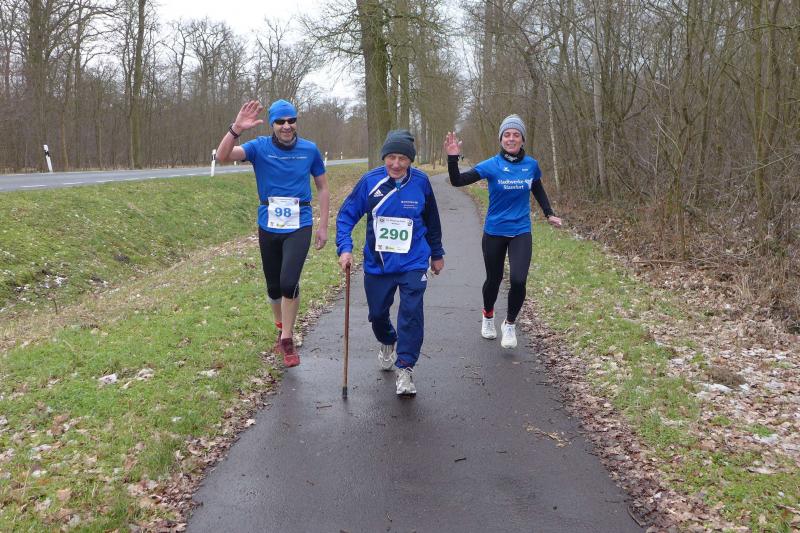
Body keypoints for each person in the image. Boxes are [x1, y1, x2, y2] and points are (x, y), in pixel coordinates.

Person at [215, 99, 330, 368]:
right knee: (274, 287)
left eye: (291, 120)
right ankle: (281, 326)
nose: (286, 126)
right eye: (280, 121)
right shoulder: (259, 147)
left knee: (289, 282)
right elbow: (222, 156)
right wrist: (236, 129)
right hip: (268, 223)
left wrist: (323, 225)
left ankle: (287, 339)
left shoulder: (309, 149)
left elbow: (323, 187)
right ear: (272, 124)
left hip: (299, 222)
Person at [336, 130, 444, 396]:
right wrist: (345, 248)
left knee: (411, 312)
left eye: (403, 159)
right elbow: (346, 216)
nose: (396, 164)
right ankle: (387, 340)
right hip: (379, 264)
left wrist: (437, 254)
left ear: (410, 160)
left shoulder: (421, 182)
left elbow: (432, 221)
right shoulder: (370, 181)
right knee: (377, 314)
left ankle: (405, 368)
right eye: (391, 157)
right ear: (384, 157)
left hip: (413, 261)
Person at [444, 114, 562, 349]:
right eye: (507, 134)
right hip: (495, 231)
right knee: (494, 279)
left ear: (522, 139)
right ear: (501, 139)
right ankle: (488, 316)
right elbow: (457, 181)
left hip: (521, 230)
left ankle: (509, 324)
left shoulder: (531, 165)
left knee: (518, 280)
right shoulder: (491, 165)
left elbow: (537, 187)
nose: (511, 138)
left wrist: (549, 213)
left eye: (516, 134)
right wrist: (452, 158)